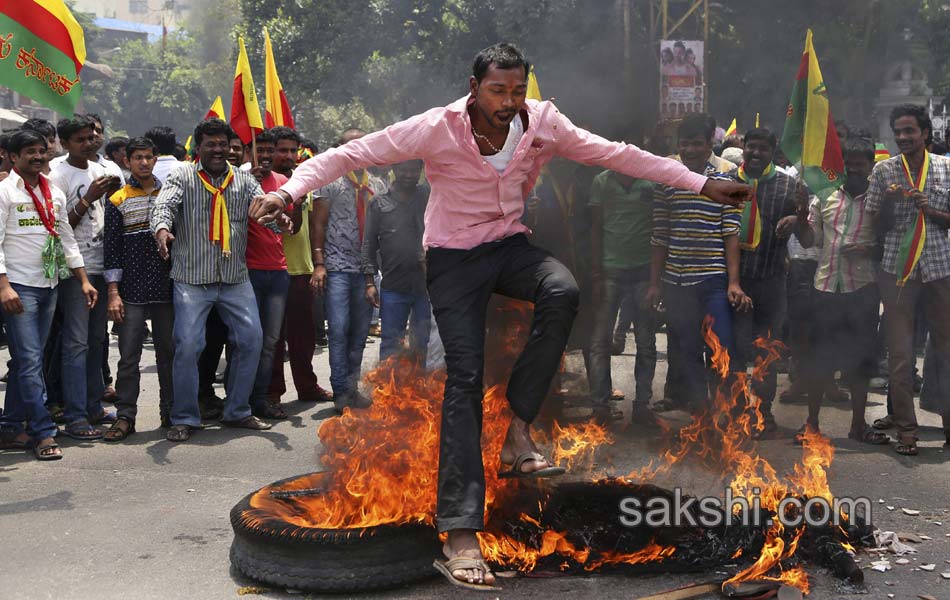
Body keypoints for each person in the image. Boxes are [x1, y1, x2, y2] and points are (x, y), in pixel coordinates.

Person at [249, 43, 748, 589]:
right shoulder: (436, 127)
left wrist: (702, 183)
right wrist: (293, 191)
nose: (508, 102)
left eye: (516, 91)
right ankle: (460, 532)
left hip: (509, 247)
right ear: (473, 87)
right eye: (497, 91)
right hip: (452, 258)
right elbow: (350, 155)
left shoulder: (543, 123)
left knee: (562, 290)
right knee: (463, 377)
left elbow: (618, 154)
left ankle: (517, 428)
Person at [150, 118, 274, 442]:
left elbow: (264, 211)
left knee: (251, 341)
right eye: (211, 144)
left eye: (223, 144)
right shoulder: (182, 175)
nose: (218, 150)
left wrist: (282, 219)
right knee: (189, 345)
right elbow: (163, 206)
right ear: (199, 147)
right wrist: (162, 229)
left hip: (234, 278)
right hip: (192, 278)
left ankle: (238, 411)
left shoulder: (244, 181)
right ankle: (185, 417)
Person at [0, 129, 95, 460]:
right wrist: (4, 286)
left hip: (50, 284)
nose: (39, 156)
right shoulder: (4, 192)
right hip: (18, 287)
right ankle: (42, 432)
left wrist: (83, 280)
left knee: (28, 361)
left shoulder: (52, 191)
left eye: (42, 150)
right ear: (13, 157)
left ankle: (11, 427)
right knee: (29, 362)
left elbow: (66, 237)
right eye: (30, 151)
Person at [647, 113, 749, 412]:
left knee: (721, 348)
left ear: (709, 146)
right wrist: (654, 283)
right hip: (676, 282)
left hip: (713, 280)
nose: (689, 150)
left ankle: (725, 410)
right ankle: (701, 414)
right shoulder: (667, 180)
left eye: (696, 144)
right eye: (684, 144)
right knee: (685, 350)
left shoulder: (725, 180)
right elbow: (659, 235)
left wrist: (733, 282)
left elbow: (731, 233)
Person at [866, 104, 950, 456]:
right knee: (900, 356)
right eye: (898, 132)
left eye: (909, 131)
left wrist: (929, 209)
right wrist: (887, 204)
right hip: (897, 271)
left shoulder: (946, 168)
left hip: (939, 269)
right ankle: (907, 432)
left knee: (946, 351)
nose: (903, 138)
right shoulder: (884, 171)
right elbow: (874, 226)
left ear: (925, 133)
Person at [795, 135, 888, 446]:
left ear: (871, 166)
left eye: (860, 165)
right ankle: (812, 424)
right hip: (825, 288)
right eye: (849, 165)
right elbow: (811, 241)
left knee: (860, 361)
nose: (854, 170)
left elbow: (889, 245)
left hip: (862, 290)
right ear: (842, 166)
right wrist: (798, 219)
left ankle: (858, 424)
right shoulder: (824, 197)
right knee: (819, 359)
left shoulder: (880, 201)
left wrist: (868, 248)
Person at [49, 115, 121, 440]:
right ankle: (75, 415)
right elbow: (59, 226)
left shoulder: (102, 170)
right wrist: (89, 196)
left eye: (91, 136)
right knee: (76, 342)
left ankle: (93, 406)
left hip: (101, 265)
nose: (89, 142)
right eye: (80, 139)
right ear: (65, 143)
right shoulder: (56, 174)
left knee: (96, 340)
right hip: (72, 268)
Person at [307, 128, 388, 413]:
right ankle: (341, 390)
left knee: (359, 332)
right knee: (339, 331)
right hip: (337, 267)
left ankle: (353, 389)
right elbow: (317, 225)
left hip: (366, 271)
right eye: (349, 146)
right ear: (339, 150)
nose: (356, 151)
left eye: (362, 145)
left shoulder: (377, 186)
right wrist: (319, 264)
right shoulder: (328, 182)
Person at [102, 137, 175, 441]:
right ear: (127, 161)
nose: (143, 162)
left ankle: (171, 413)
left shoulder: (169, 194)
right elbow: (112, 250)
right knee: (128, 356)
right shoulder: (117, 199)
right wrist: (113, 292)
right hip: (130, 290)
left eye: (148, 157)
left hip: (166, 287)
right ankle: (125, 416)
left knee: (168, 354)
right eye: (137, 158)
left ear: (156, 159)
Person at [733, 127, 802, 438]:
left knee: (767, 352)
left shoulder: (789, 185)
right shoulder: (728, 181)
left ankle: (763, 413)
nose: (755, 153)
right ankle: (735, 411)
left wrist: (799, 217)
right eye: (751, 147)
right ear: (743, 148)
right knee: (732, 350)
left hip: (772, 281)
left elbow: (807, 234)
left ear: (773, 151)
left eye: (762, 148)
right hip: (735, 280)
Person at [587, 163, 658, 424]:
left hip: (642, 274)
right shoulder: (602, 182)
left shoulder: (650, 181)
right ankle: (600, 406)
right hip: (609, 274)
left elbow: (659, 230)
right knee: (599, 343)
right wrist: (596, 274)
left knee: (646, 343)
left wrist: (655, 281)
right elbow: (595, 228)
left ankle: (642, 405)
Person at [267, 128, 332, 403]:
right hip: (272, 269)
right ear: (270, 151)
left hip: (302, 269)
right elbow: (284, 229)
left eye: (293, 150)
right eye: (282, 150)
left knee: (303, 336)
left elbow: (315, 228)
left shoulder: (305, 181)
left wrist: (319, 264)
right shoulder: (264, 185)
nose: (289, 156)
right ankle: (272, 393)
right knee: (273, 339)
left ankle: (307, 386)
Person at [362, 159, 431, 363]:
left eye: (414, 171)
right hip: (393, 286)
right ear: (393, 170)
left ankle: (416, 389)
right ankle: (387, 392)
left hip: (425, 286)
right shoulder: (378, 203)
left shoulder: (427, 196)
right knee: (391, 343)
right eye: (404, 170)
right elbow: (369, 244)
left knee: (422, 343)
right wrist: (369, 283)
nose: (409, 175)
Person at [245, 129, 294, 420]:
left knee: (271, 341)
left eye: (269, 152)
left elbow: (290, 225)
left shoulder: (284, 184)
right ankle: (239, 398)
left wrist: (288, 216)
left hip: (278, 272)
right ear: (249, 152)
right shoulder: (240, 181)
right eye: (258, 151)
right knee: (247, 339)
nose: (264, 156)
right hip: (247, 271)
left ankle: (260, 399)